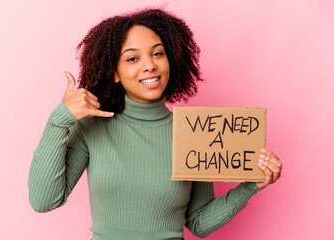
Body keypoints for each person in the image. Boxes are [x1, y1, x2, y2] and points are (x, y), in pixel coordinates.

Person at [28, 8, 282, 240]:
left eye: (157, 54)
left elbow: (199, 223)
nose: (149, 65)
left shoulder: (195, 132)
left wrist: (252, 185)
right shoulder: (91, 128)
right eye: (132, 59)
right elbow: (44, 200)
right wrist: (59, 120)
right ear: (114, 72)